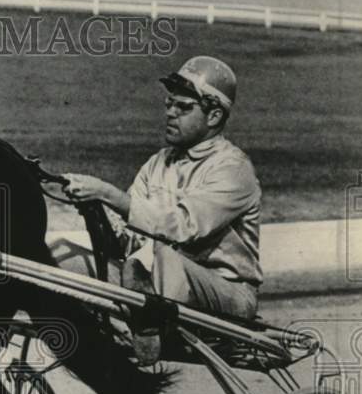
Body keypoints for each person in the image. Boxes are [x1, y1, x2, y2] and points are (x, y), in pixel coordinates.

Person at [64, 56, 262, 364]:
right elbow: (130, 237)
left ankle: (148, 333)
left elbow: (182, 227)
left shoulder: (233, 168)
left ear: (214, 116)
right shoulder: (158, 162)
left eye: (183, 108)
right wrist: (98, 211)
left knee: (158, 255)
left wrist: (108, 193)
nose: (170, 113)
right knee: (61, 256)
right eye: (169, 104)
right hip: (154, 277)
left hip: (228, 294)